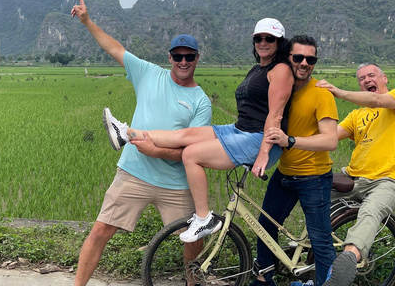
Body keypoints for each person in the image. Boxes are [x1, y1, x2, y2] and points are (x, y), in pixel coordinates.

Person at [103, 17, 293, 243]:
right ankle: (126, 133)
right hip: (240, 130)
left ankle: (204, 218)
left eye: (269, 38)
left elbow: (276, 114)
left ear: (279, 42)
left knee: (190, 154)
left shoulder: (280, 69)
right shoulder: (258, 69)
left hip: (257, 139)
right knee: (185, 136)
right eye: (258, 38)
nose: (263, 42)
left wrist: (263, 153)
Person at [70, 0, 212, 286]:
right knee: (100, 231)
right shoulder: (149, 73)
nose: (183, 62)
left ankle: (192, 282)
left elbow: (191, 151)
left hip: (176, 183)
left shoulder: (201, 102)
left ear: (197, 59)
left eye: (189, 57)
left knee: (193, 241)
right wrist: (87, 22)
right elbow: (116, 49)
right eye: (177, 56)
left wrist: (156, 150)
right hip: (134, 172)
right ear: (169, 58)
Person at [316, 64, 395, 286]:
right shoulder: (357, 115)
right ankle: (308, 248)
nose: (366, 80)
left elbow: (378, 101)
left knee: (371, 210)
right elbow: (328, 136)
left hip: (391, 181)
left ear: (384, 78)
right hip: (355, 178)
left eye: (371, 75)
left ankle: (347, 262)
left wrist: (338, 92)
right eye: (361, 78)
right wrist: (288, 138)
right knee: (310, 190)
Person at [249, 35, 339, 286]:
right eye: (297, 57)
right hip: (285, 174)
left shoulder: (321, 94)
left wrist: (290, 141)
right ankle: (264, 280)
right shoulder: (282, 90)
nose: (304, 63)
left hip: (314, 177)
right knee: (265, 225)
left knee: (320, 240)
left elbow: (330, 140)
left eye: (310, 59)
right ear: (287, 58)